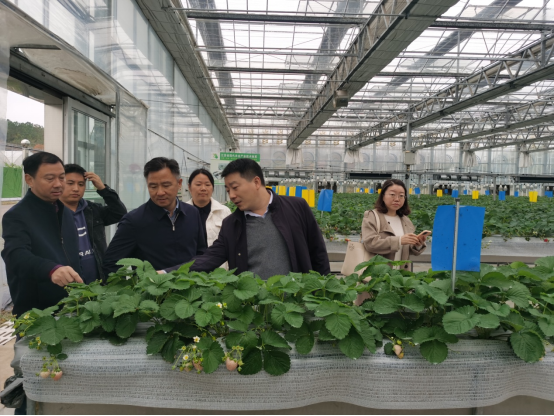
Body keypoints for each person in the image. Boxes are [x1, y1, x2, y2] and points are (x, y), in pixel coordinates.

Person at [167, 158, 330, 279]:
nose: (231, 195)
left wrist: (322, 295)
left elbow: (318, 253)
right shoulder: (231, 224)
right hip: (253, 308)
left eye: (235, 188)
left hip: (295, 306)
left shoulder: (296, 207)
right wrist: (168, 272)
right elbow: (208, 259)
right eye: (228, 190)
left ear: (256, 182)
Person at [2, 152, 83, 318]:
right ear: (29, 180)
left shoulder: (65, 212)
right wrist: (51, 269)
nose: (58, 184)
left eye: (62, 177)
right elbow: (15, 255)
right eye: (50, 178)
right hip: (37, 313)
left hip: (70, 306)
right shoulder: (17, 215)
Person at [103, 157, 207, 277]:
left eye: (166, 185)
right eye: (153, 187)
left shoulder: (192, 213)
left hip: (189, 286)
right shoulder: (134, 221)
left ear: (179, 183)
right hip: (154, 288)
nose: (160, 192)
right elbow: (110, 263)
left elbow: (202, 253)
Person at [60, 164, 127, 284]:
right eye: (70, 183)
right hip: (66, 282)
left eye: (81, 184)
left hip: (97, 281)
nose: (76, 188)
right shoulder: (51, 213)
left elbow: (120, 213)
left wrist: (103, 189)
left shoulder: (93, 210)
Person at [362, 179, 427, 271]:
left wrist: (417, 244)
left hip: (401, 274)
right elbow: (370, 244)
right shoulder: (372, 216)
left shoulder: (405, 220)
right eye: (392, 194)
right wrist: (399, 241)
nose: (397, 199)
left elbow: (407, 250)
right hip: (379, 274)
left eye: (401, 196)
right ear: (383, 196)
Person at [186, 169, 232, 248]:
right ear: (189, 187)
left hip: (217, 256)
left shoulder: (224, 212)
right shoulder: (182, 212)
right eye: (198, 184)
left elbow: (231, 240)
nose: (203, 188)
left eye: (207, 185)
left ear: (213, 188)